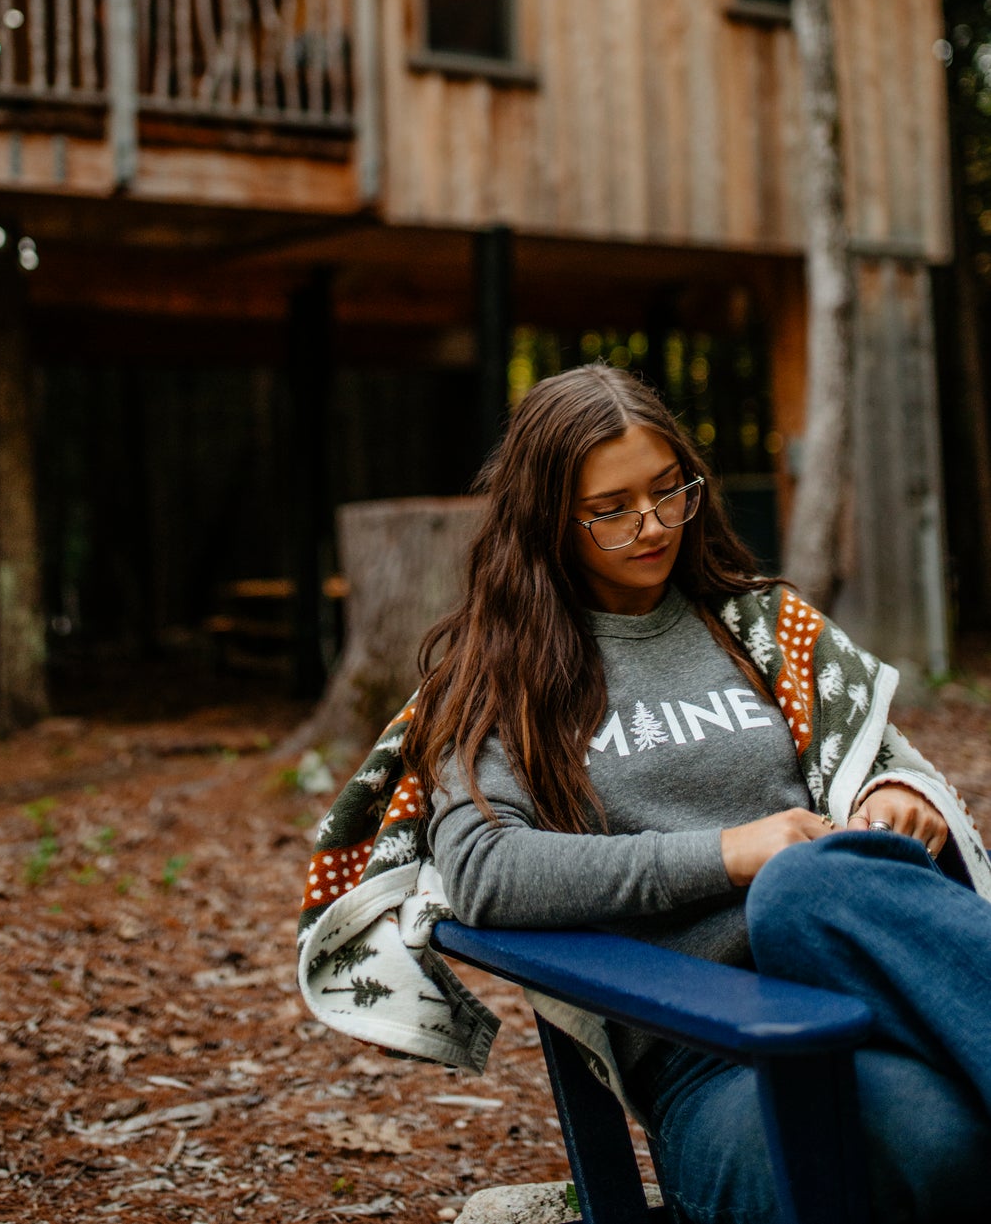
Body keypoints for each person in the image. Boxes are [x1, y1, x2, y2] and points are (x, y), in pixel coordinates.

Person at [399, 363, 991, 1224]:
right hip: (713, 1063)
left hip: (876, 994)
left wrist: (901, 796)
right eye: (611, 508)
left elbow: (886, 758)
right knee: (938, 1140)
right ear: (544, 518)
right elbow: (485, 869)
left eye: (670, 491)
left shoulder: (761, 627)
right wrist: (728, 854)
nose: (652, 525)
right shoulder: (497, 681)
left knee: (814, 889)